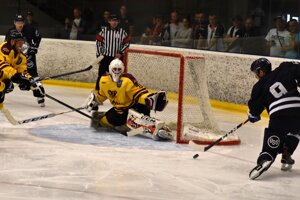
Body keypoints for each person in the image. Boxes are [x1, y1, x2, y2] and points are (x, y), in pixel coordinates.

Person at [83, 58, 172, 141]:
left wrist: (151, 99)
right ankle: (130, 125)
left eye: (119, 69)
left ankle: (155, 129)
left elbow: (139, 93)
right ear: (110, 69)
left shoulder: (127, 80)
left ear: (122, 70)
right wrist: (92, 101)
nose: (117, 72)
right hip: (119, 111)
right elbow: (102, 94)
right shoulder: (104, 81)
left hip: (134, 108)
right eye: (115, 69)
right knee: (101, 123)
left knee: (132, 130)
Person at [247, 58, 300, 180]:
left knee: (275, 133)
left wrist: (252, 116)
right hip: (298, 109)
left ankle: (266, 156)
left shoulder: (258, 87)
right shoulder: (285, 67)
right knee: (296, 131)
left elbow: (254, 111)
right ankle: (287, 152)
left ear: (261, 72)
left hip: (279, 115)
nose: (256, 77)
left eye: (256, 73)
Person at [5, 14, 44, 107]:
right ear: (14, 23)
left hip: (29, 58)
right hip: (16, 59)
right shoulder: (10, 32)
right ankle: (2, 91)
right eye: (18, 23)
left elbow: (38, 37)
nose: (20, 25)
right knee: (8, 78)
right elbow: (7, 45)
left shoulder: (30, 29)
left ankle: (40, 96)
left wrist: (35, 47)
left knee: (34, 76)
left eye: (22, 22)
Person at [95, 14, 130, 91]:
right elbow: (98, 44)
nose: (114, 22)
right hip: (105, 57)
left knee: (118, 75)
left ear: (118, 22)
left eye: (116, 21)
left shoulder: (122, 32)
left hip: (117, 58)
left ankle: (117, 91)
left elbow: (127, 43)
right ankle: (98, 91)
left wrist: (121, 53)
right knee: (101, 75)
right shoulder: (103, 32)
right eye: (112, 20)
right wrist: (98, 56)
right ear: (109, 21)